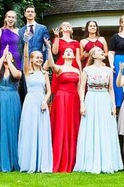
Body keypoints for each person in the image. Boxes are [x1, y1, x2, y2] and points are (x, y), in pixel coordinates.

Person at [74, 48, 123, 174]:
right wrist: (82, 104)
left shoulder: (108, 70)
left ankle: (107, 161)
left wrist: (113, 105)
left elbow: (111, 89)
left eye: (103, 52)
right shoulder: (86, 70)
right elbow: (82, 87)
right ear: (93, 55)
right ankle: (90, 161)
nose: (102, 53)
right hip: (91, 98)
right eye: (100, 51)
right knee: (91, 127)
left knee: (105, 127)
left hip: (104, 98)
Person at [46, 43, 81, 173]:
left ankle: (72, 161)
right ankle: (59, 160)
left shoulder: (77, 71)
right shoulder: (59, 68)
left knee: (72, 127)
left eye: (70, 51)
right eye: (66, 51)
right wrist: (49, 49)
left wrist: (81, 103)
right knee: (61, 126)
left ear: (73, 55)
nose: (68, 52)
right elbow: (50, 64)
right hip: (61, 98)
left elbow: (80, 88)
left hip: (74, 100)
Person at [18, 46, 53, 173]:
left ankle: (41, 162)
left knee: (42, 130)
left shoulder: (44, 73)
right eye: (37, 57)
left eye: (40, 57)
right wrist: (26, 43)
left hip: (41, 101)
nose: (39, 59)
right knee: (30, 129)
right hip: (30, 102)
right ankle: (29, 162)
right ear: (32, 60)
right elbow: (25, 56)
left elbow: (49, 91)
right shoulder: (27, 71)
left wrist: (45, 101)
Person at [0, 47, 22, 172]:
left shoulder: (17, 71)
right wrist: (3, 57)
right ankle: (0, 160)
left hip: (13, 99)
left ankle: (13, 161)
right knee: (0, 127)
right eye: (5, 55)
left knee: (12, 126)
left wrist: (9, 61)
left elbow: (16, 75)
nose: (7, 56)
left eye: (10, 54)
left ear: (13, 58)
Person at [51, 22, 82, 95]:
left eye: (69, 25)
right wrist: (56, 37)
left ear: (71, 30)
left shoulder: (76, 42)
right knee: (60, 87)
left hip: (73, 65)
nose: (67, 26)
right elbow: (54, 52)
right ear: (61, 29)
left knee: (75, 87)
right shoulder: (58, 39)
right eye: (65, 25)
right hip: (61, 64)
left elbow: (77, 58)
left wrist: (80, 70)